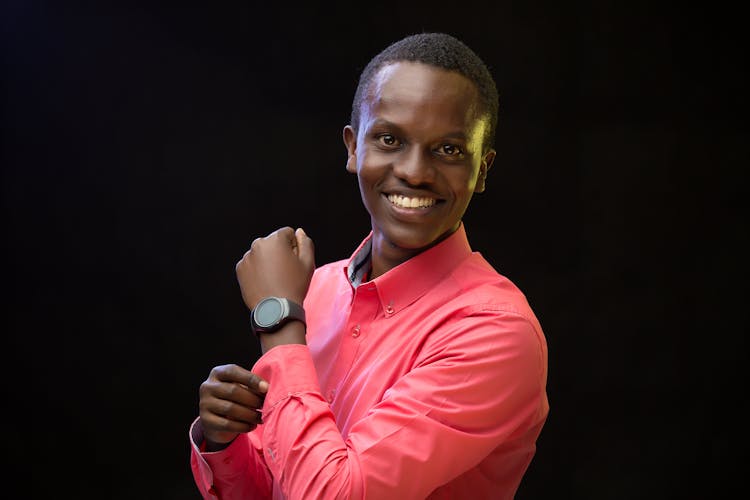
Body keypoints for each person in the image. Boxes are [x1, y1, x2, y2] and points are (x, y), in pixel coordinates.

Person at [189, 32, 549, 499]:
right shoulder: (316, 291)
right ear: (353, 147)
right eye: (389, 139)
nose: (416, 171)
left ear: (482, 170)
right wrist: (226, 442)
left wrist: (277, 319)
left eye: (449, 150)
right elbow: (282, 488)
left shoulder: (497, 332)